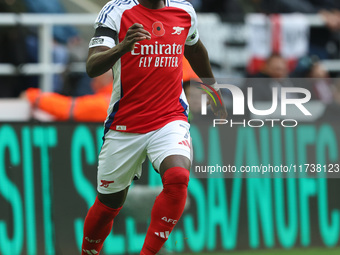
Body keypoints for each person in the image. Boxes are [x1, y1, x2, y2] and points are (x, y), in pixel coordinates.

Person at [81, 1, 227, 255]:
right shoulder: (116, 11)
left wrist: (213, 90)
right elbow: (93, 66)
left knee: (178, 177)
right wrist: (123, 47)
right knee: (108, 204)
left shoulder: (184, 11)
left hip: (170, 117)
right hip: (125, 125)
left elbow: (194, 50)